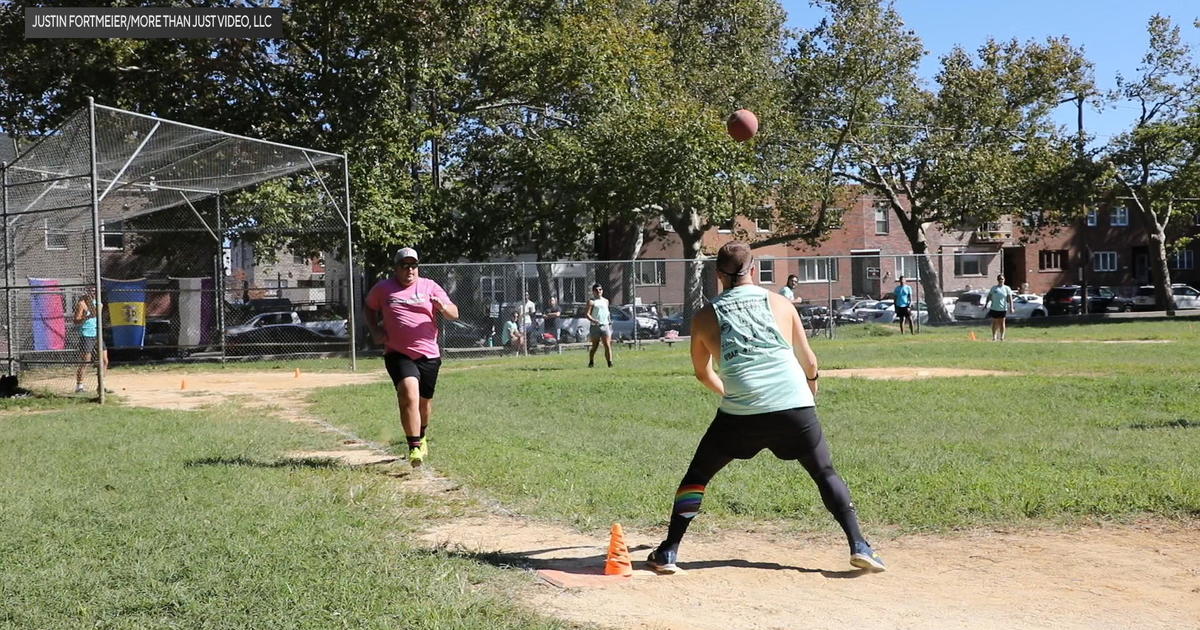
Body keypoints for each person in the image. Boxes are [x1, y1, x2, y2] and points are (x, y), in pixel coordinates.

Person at [645, 241, 885, 575]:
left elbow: (703, 372)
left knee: (697, 477)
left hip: (740, 415)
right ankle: (860, 546)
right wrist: (809, 390)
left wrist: (731, 393)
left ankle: (668, 552)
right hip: (795, 405)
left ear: (717, 275)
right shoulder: (780, 302)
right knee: (824, 472)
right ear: (753, 270)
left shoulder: (704, 316)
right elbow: (810, 361)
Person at [364, 247, 459, 468]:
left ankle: (422, 434)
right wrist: (375, 331)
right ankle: (414, 446)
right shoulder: (383, 289)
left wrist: (443, 307)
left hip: (428, 354)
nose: (410, 270)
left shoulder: (429, 287)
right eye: (405, 266)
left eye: (413, 266)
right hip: (398, 353)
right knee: (408, 394)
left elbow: (455, 313)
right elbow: (368, 308)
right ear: (396, 269)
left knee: (424, 404)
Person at [73, 287, 109, 394]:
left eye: (95, 291)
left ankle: (101, 386)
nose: (93, 293)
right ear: (87, 292)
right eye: (91, 291)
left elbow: (98, 319)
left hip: (97, 334)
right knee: (86, 361)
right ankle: (79, 387)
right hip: (87, 334)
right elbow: (76, 321)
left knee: (104, 360)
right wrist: (85, 317)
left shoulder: (98, 303)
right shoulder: (82, 303)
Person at [585, 283, 613, 368]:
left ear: (602, 291)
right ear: (593, 292)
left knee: (607, 345)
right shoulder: (592, 302)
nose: (598, 292)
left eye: (600, 290)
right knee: (595, 346)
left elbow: (607, 313)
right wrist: (593, 320)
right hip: (595, 326)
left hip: (605, 325)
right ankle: (591, 361)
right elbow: (587, 314)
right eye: (596, 290)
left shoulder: (606, 301)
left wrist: (609, 321)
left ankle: (610, 363)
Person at [985, 274, 1015, 341]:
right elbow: (989, 296)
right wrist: (986, 305)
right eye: (999, 279)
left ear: (1004, 280)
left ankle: (1002, 337)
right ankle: (994, 337)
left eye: (1002, 279)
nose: (1001, 280)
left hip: (1003, 308)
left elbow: (1010, 299)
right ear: (997, 280)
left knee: (1002, 323)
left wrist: (1011, 308)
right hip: (994, 308)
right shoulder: (994, 288)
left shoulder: (1007, 288)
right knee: (995, 323)